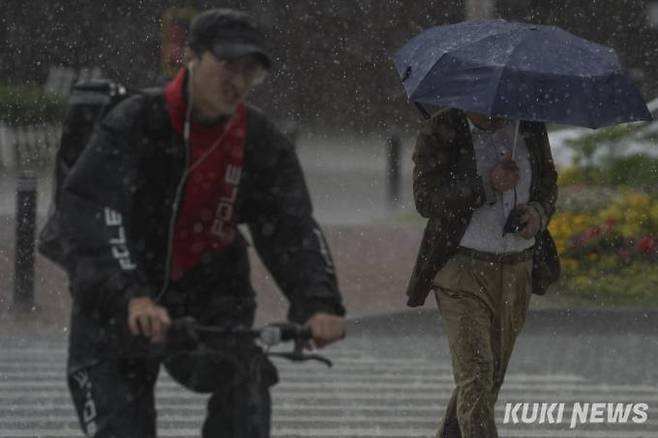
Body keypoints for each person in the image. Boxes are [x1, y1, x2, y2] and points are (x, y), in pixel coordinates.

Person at [57, 9, 345, 438]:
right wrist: (131, 296)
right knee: (123, 426)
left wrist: (318, 302)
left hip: (208, 292)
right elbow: (94, 213)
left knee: (246, 386)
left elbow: (291, 228)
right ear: (191, 57)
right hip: (119, 298)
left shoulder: (259, 140)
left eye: (251, 71)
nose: (239, 82)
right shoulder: (137, 122)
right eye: (227, 65)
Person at [405, 108, 560, 438]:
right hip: (461, 269)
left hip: (516, 269)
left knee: (489, 377)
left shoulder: (529, 124)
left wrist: (538, 213)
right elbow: (426, 199)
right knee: (476, 373)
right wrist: (486, 186)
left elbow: (548, 183)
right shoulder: (442, 129)